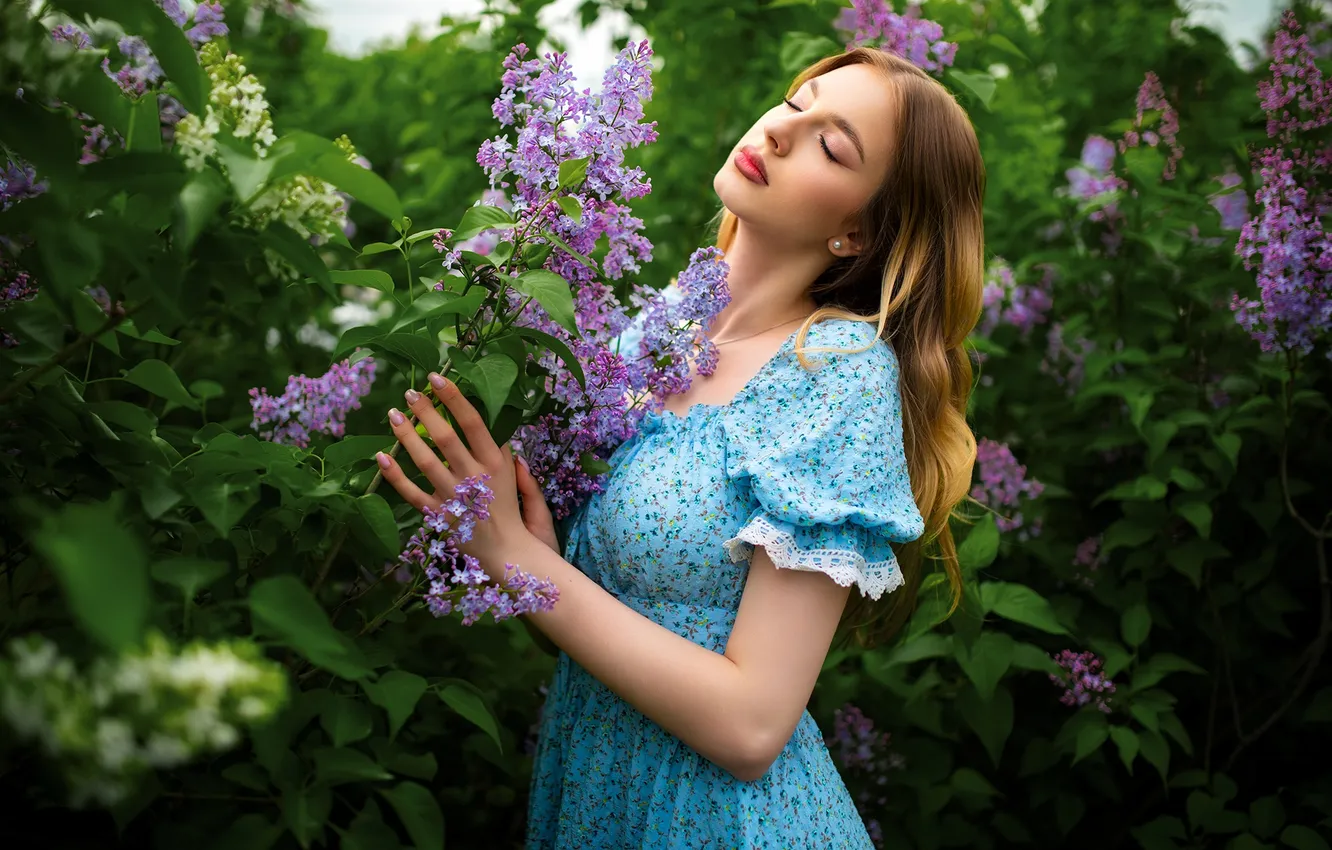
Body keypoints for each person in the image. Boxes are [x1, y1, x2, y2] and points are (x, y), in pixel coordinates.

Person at [376, 45, 984, 849]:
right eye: (797, 106)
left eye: (832, 145)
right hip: (598, 799)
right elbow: (597, 621)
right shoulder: (654, 332)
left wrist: (519, 561)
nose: (778, 132)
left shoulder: (834, 373)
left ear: (858, 233)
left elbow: (751, 727)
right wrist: (524, 549)